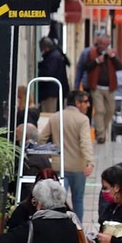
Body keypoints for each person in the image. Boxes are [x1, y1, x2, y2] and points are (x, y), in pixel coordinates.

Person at [40, 90, 97, 218]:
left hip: (59, 166)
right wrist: (90, 162)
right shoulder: (83, 120)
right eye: (86, 102)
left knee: (59, 201)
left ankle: (60, 225)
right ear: (77, 103)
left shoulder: (55, 117)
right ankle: (78, 230)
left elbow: (41, 139)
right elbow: (85, 142)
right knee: (78, 200)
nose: (88, 105)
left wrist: (49, 154)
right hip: (78, 167)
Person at [80, 34, 122, 142]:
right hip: (96, 87)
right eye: (102, 44)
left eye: (107, 44)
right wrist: (96, 61)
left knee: (110, 110)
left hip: (110, 87)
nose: (104, 47)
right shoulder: (91, 53)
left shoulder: (112, 54)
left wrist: (112, 57)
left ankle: (102, 129)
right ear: (98, 44)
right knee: (100, 110)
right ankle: (100, 135)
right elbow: (86, 67)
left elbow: (120, 67)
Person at [36, 36, 69, 113]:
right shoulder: (55, 55)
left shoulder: (53, 57)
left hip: (50, 91)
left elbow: (48, 73)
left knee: (48, 112)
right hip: (52, 90)